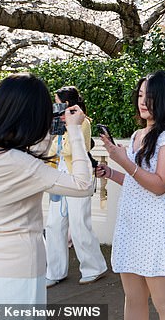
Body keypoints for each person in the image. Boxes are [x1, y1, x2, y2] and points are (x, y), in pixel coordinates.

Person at [0, 73, 94, 304]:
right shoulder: (18, 164)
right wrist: (74, 131)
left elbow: (32, 157)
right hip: (16, 272)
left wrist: (52, 131)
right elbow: (83, 186)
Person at [95, 70, 165, 320]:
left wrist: (124, 161)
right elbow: (138, 182)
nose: (142, 101)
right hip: (130, 224)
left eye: (150, 96)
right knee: (133, 299)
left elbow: (159, 185)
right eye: (140, 95)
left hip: (156, 228)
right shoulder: (138, 135)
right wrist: (111, 173)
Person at [45, 86, 108, 288]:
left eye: (57, 102)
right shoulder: (57, 123)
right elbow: (52, 149)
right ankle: (55, 271)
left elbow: (75, 148)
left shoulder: (83, 122)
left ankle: (94, 268)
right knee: (54, 226)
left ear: (67, 103)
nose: (55, 106)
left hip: (78, 179)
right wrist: (63, 138)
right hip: (58, 178)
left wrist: (64, 138)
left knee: (80, 225)